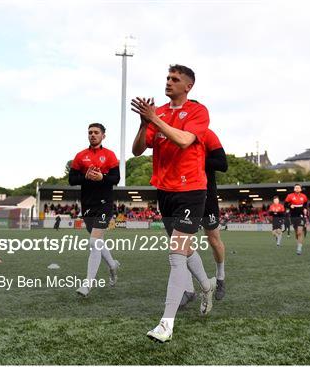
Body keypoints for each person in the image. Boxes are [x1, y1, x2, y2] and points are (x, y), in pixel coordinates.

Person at [131, 64, 215, 343]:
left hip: (191, 189)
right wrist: (145, 124)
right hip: (165, 192)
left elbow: (183, 140)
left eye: (175, 79)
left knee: (176, 254)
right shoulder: (160, 114)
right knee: (185, 250)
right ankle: (206, 286)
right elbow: (138, 149)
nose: (168, 82)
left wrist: (154, 119)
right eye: (167, 77)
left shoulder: (197, 112)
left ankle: (166, 324)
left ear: (188, 86)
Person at [69, 123, 120, 297]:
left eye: (96, 132)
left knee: (93, 242)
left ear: (103, 136)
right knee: (97, 242)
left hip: (104, 203)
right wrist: (85, 176)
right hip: (87, 204)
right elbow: (71, 179)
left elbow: (116, 178)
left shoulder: (110, 155)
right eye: (90, 132)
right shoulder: (80, 156)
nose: (92, 135)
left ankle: (87, 284)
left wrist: (101, 177)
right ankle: (112, 265)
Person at [180, 127, 228, 307]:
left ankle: (220, 277)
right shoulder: (176, 134)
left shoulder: (207, 135)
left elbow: (223, 164)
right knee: (182, 243)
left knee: (214, 240)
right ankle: (188, 289)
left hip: (207, 194)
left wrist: (197, 160)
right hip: (184, 194)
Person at [284, 184, 308, 255]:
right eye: (296, 188)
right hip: (293, 215)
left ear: (300, 189)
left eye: (298, 188)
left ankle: (299, 248)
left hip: (301, 215)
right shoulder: (290, 196)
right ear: (294, 189)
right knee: (296, 232)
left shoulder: (304, 196)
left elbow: (305, 204)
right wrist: (290, 205)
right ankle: (298, 242)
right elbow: (285, 204)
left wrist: (305, 209)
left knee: (300, 232)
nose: (297, 189)